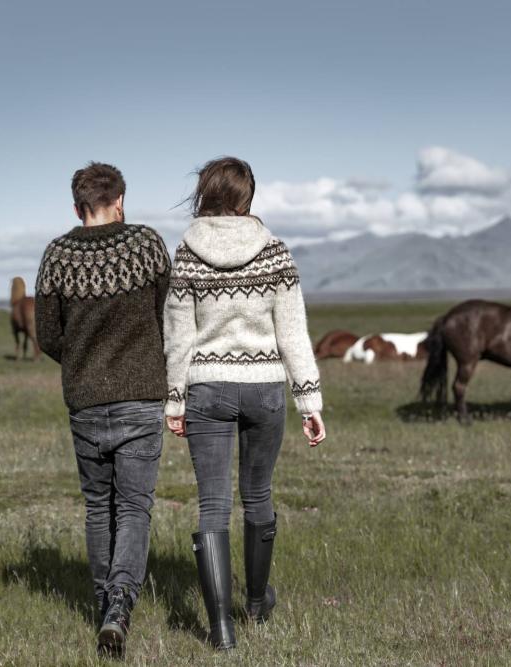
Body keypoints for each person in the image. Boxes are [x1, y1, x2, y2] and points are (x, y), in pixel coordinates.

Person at [163, 156, 326, 650]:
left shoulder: (188, 254)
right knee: (257, 496)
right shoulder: (275, 251)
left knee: (213, 505)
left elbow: (178, 335)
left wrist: (173, 400)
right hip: (264, 389)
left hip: (207, 389)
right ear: (247, 196)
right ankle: (255, 603)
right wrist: (309, 400)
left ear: (206, 193)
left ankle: (220, 630)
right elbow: (293, 333)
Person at [35, 162, 171, 658]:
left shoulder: (57, 256)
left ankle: (103, 605)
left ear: (77, 208)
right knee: (134, 506)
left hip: (86, 399)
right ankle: (120, 607)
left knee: (99, 508)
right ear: (121, 201)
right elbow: (166, 316)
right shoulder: (148, 245)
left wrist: (82, 363)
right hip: (141, 397)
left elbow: (48, 335)